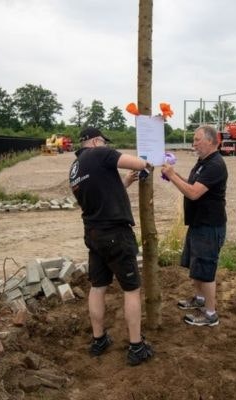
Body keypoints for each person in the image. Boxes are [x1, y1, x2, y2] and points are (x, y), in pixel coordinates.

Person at [68, 126, 154, 366]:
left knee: (98, 287)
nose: (106, 145)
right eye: (104, 142)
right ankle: (136, 347)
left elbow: (99, 196)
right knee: (131, 289)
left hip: (94, 234)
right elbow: (137, 163)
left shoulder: (75, 168)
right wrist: (147, 163)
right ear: (96, 141)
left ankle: (99, 340)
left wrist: (124, 183)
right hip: (115, 233)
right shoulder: (101, 153)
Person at [161, 125, 227, 327]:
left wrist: (172, 176)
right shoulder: (202, 163)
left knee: (206, 270)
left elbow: (193, 193)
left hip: (209, 226)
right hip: (199, 224)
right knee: (196, 266)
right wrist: (173, 175)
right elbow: (190, 184)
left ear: (210, 140)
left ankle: (210, 314)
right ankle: (199, 300)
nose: (194, 143)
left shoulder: (215, 165)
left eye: (197, 139)